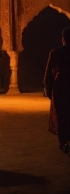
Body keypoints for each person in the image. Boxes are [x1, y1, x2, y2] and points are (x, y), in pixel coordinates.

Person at [44, 27, 70, 156]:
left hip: (61, 84)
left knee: (61, 113)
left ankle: (64, 141)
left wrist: (48, 89)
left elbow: (48, 74)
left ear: (63, 39)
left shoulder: (55, 53)